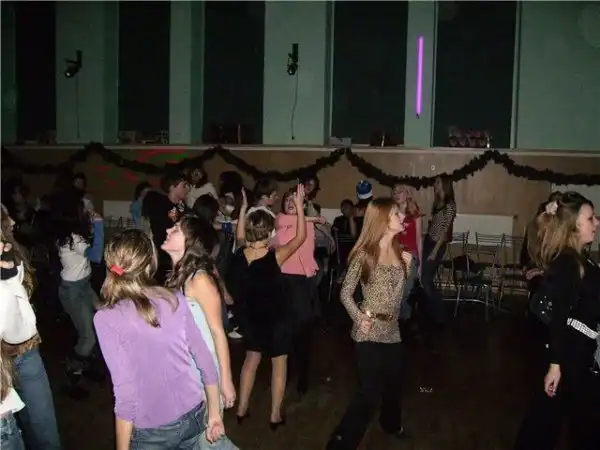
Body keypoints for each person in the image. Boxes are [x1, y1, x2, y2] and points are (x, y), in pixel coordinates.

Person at [95, 229, 225, 449]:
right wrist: (214, 413)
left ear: (110, 265)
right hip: (194, 415)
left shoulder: (106, 319)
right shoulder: (174, 298)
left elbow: (126, 393)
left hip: (153, 430)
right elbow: (204, 358)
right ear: (150, 264)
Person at [514, 192, 600, 450]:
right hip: (571, 355)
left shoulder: (581, 258)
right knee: (548, 421)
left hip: (579, 352)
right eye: (591, 218)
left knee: (572, 419)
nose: (596, 222)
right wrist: (555, 365)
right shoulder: (568, 262)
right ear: (574, 225)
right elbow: (558, 315)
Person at [326, 197, 412, 450]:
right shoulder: (365, 254)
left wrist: (407, 270)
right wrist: (358, 316)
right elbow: (345, 293)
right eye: (396, 214)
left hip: (392, 330)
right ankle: (340, 443)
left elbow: (397, 297)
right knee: (369, 393)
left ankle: (391, 424)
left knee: (393, 382)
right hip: (369, 330)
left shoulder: (401, 253)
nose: (402, 217)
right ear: (383, 220)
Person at [229, 185, 307, 429]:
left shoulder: (239, 254)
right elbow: (300, 238)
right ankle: (274, 415)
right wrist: (300, 208)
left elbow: (239, 236)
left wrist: (243, 209)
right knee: (278, 363)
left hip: (251, 319)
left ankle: (241, 409)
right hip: (276, 320)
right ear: (270, 231)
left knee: (250, 360)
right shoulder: (275, 256)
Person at [163, 218, 239, 450]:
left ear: (191, 241)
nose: (168, 230)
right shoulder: (179, 276)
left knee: (209, 441)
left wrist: (226, 381)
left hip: (204, 375)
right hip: (187, 370)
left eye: (176, 229)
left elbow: (218, 332)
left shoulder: (200, 280)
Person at [1, 204, 62, 450]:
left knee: (43, 429)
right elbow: (20, 329)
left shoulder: (13, 252)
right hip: (9, 357)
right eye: (5, 217)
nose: (13, 222)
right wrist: (9, 283)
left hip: (25, 353)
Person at [420, 176, 456, 326]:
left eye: (438, 182)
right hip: (429, 241)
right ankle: (432, 312)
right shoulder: (437, 203)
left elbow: (444, 231)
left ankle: (440, 314)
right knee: (425, 278)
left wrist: (434, 251)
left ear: (445, 185)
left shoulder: (450, 205)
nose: (435, 184)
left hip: (437, 245)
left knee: (426, 279)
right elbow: (434, 225)